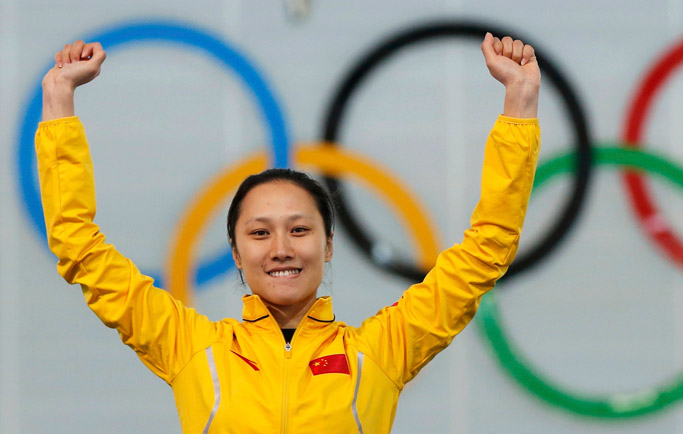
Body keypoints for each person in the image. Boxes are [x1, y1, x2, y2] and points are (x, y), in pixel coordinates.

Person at [37, 32, 540, 433]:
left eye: (299, 229)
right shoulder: (190, 347)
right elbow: (78, 244)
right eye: (259, 233)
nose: (280, 249)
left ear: (328, 245)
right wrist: (59, 100)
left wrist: (520, 103)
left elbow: (486, 250)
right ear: (235, 252)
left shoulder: (380, 351)